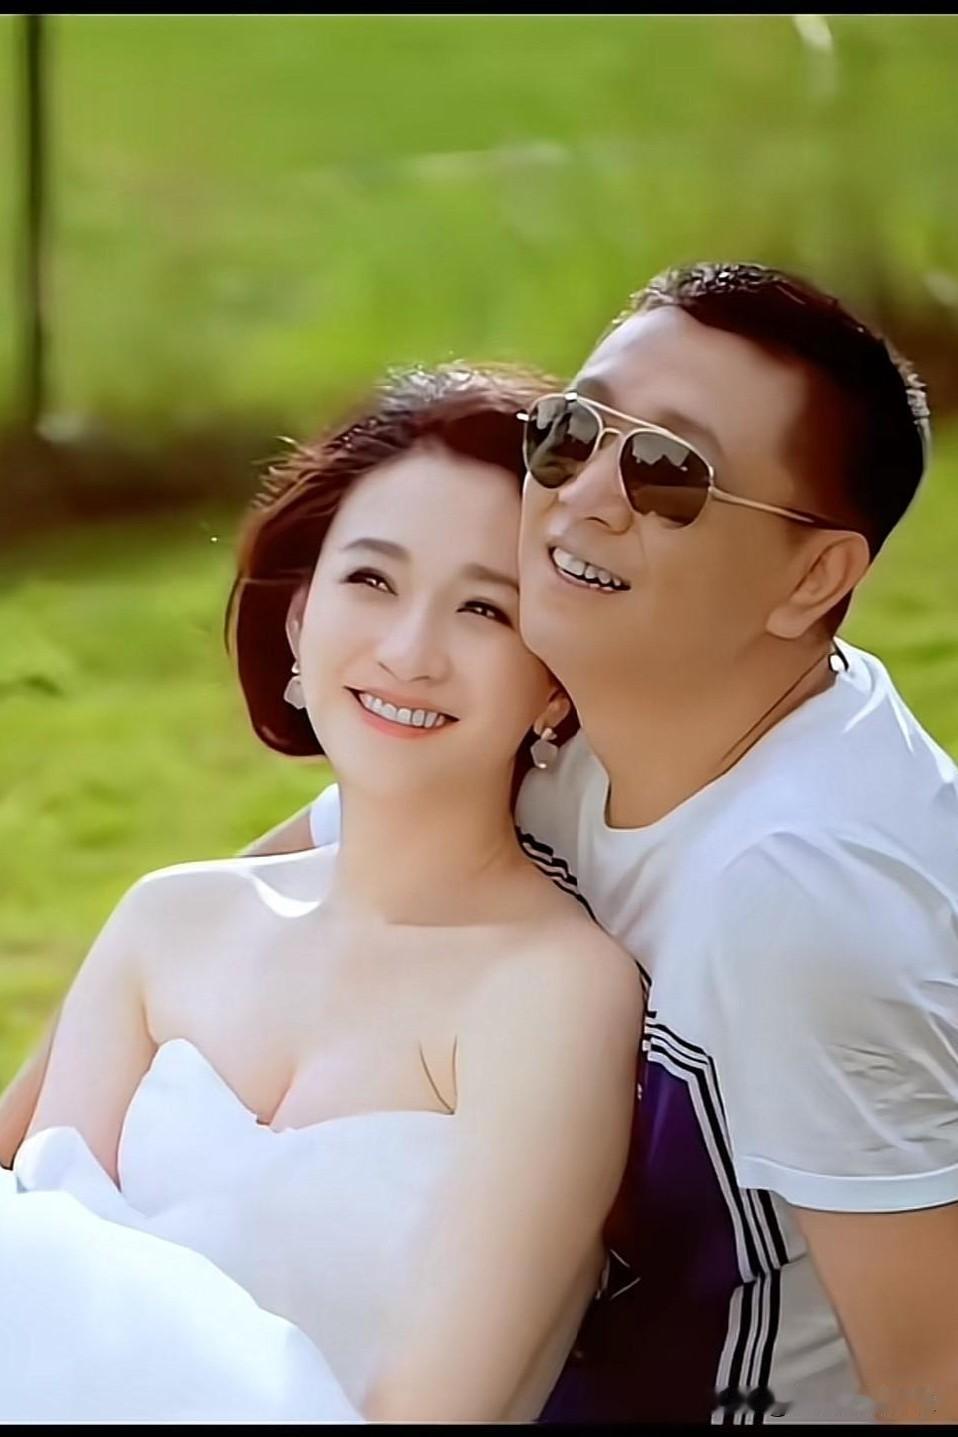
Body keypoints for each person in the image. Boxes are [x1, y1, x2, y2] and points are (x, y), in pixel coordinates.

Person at [257, 263, 958, 1424]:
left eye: (669, 473)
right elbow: (254, 903)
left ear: (813, 578)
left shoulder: (799, 902)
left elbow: (934, 1377)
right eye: (571, 433)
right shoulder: (581, 708)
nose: (583, 497)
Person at [0, 364, 643, 1423]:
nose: (409, 652)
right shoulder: (170, 923)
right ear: (299, 621)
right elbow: (37, 1289)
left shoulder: (552, 990)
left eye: (485, 608)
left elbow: (436, 1410)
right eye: (372, 580)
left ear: (554, 685)